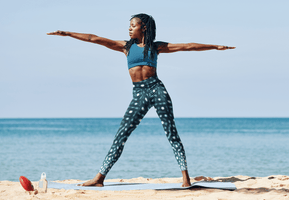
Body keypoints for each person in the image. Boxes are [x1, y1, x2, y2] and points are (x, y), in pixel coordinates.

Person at [47, 13, 235, 187]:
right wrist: (68, 33)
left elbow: (188, 46)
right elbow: (94, 38)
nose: (129, 29)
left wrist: (215, 46)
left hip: (157, 89)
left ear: (143, 27)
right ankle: (99, 178)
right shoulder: (126, 47)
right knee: (121, 135)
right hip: (138, 94)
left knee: (171, 132)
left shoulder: (155, 47)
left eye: (133, 25)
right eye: (129, 26)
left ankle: (185, 177)